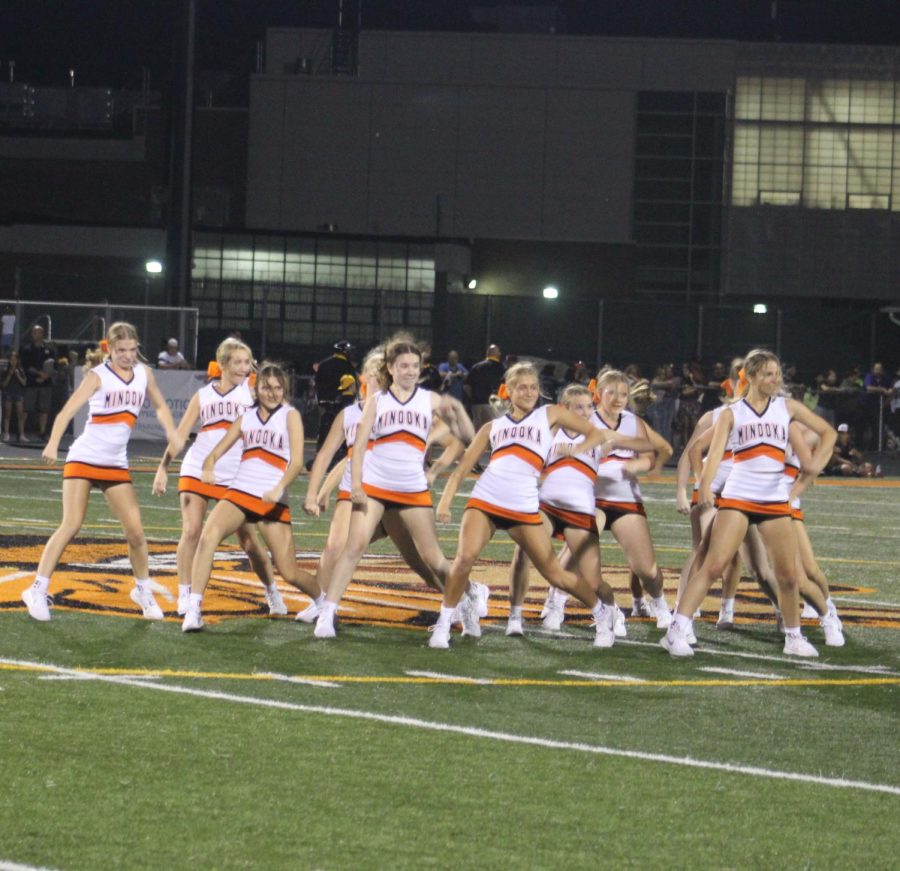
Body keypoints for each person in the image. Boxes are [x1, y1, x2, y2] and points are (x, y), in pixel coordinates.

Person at [428, 362, 652, 650]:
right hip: (486, 499)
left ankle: (600, 612)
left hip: (523, 506)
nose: (529, 392)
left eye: (534, 387)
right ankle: (444, 625)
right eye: (522, 387)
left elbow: (595, 433)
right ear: (508, 391)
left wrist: (577, 450)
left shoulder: (550, 415)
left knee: (555, 573)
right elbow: (462, 470)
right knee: (463, 559)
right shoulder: (492, 426)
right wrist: (445, 502)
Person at [661, 348, 836, 659]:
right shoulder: (732, 413)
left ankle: (793, 638)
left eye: (777, 374)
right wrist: (705, 487)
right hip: (739, 496)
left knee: (786, 574)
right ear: (752, 377)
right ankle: (676, 629)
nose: (776, 379)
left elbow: (828, 433)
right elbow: (711, 453)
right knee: (713, 565)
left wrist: (813, 469)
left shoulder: (787, 406)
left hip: (773, 499)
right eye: (769, 374)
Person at [311, 333, 477, 640]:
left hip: (412, 489)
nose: (410, 371)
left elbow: (467, 435)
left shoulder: (431, 399)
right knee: (353, 547)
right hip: (375, 486)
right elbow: (358, 448)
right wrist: (358, 484)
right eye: (404, 366)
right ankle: (327, 614)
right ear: (390, 367)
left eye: (415, 366)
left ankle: (465, 601)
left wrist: (458, 409)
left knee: (433, 558)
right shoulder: (377, 402)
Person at [21, 322, 184, 622]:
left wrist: (171, 431)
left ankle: (142, 591)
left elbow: (160, 406)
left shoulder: (144, 374)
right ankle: (37, 589)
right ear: (109, 349)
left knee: (136, 533)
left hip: (115, 463)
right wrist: (54, 443)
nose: (127, 355)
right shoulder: (98, 376)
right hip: (84, 457)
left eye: (132, 350)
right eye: (120, 350)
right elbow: (67, 411)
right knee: (71, 524)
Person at [181, 362, 324, 632]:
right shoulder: (245, 417)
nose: (272, 393)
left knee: (288, 571)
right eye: (266, 387)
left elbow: (296, 463)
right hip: (239, 491)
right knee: (207, 537)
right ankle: (194, 608)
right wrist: (209, 467)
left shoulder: (290, 416)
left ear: (285, 390)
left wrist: (278, 488)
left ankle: (323, 602)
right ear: (256, 389)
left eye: (277, 388)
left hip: (272, 498)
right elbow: (215, 452)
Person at [152, 337, 289, 619]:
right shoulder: (203, 396)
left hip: (237, 474)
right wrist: (163, 467)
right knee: (191, 531)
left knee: (249, 542)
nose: (243, 368)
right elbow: (181, 436)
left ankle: (272, 591)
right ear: (223, 363)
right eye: (237, 362)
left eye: (247, 362)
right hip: (199, 466)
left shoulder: (254, 393)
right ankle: (186, 595)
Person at [504, 383, 625, 638]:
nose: (585, 412)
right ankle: (515, 615)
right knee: (523, 550)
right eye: (578, 407)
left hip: (583, 508)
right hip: (548, 506)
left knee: (587, 571)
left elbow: (627, 448)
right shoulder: (549, 433)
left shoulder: (599, 434)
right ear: (564, 409)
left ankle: (609, 609)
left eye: (589, 406)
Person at [591, 368, 673, 628]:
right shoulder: (584, 418)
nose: (618, 398)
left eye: (623, 394)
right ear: (597, 394)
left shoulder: (632, 421)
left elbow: (653, 453)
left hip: (625, 498)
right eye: (611, 392)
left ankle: (658, 601)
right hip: (591, 497)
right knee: (575, 553)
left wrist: (639, 466)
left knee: (647, 570)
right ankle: (557, 601)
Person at [310, 339, 358, 466]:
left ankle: (319, 460)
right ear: (346, 352)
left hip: (325, 408)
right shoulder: (347, 367)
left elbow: (317, 387)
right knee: (340, 438)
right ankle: (338, 460)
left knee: (324, 435)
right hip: (341, 409)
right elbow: (349, 390)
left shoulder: (324, 365)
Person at [20, 324, 55, 440]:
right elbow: (27, 366)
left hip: (46, 384)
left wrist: (45, 376)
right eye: (35, 332)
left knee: (44, 410)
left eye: (39, 332)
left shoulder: (49, 349)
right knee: (26, 408)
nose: (37, 334)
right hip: (31, 383)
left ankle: (43, 433)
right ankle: (22, 433)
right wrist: (40, 374)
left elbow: (53, 365)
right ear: (32, 334)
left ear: (42, 334)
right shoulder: (26, 349)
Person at [465, 344, 505, 430]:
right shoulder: (500, 368)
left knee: (478, 431)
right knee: (492, 430)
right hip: (493, 404)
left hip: (476, 404)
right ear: (497, 354)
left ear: (487, 353)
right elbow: (505, 386)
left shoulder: (476, 367)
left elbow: (466, 386)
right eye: (499, 352)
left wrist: (473, 398)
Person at [1, 349, 27, 442]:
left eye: (15, 359)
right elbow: (3, 384)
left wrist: (17, 375)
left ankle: (21, 434)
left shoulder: (20, 370)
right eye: (11, 359)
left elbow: (24, 383)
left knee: (20, 414)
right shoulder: (5, 370)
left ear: (17, 360)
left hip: (18, 393)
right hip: (8, 393)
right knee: (7, 414)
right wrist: (9, 375)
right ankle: (6, 433)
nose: (13, 361)